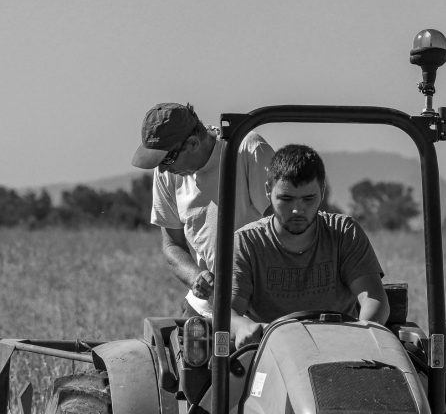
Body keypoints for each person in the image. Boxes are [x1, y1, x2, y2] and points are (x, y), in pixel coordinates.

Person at [231, 144, 389, 348]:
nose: (297, 210)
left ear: (322, 192)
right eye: (286, 199)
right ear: (268, 190)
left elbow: (374, 298)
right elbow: (229, 312)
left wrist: (363, 332)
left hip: (341, 348)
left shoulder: (344, 233)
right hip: (271, 355)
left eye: (308, 199)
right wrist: (242, 325)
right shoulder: (247, 242)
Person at [132, 102, 274, 317]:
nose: (162, 168)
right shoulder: (166, 173)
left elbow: (280, 227)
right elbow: (172, 245)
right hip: (205, 309)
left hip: (259, 305)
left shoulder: (247, 149)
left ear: (193, 142)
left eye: (167, 159)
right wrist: (196, 277)